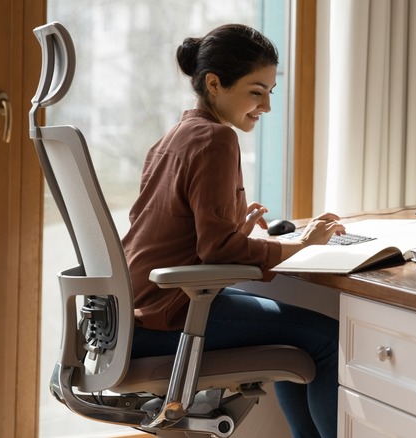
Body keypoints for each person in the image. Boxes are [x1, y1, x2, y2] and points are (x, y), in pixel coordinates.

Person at [121, 23, 345, 438]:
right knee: (329, 340)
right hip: (168, 318)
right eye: (256, 91)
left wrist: (234, 230)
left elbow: (171, 232)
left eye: (270, 93)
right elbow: (219, 250)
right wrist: (300, 243)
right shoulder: (217, 139)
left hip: (134, 315)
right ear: (214, 84)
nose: (266, 107)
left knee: (299, 344)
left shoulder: (175, 136)